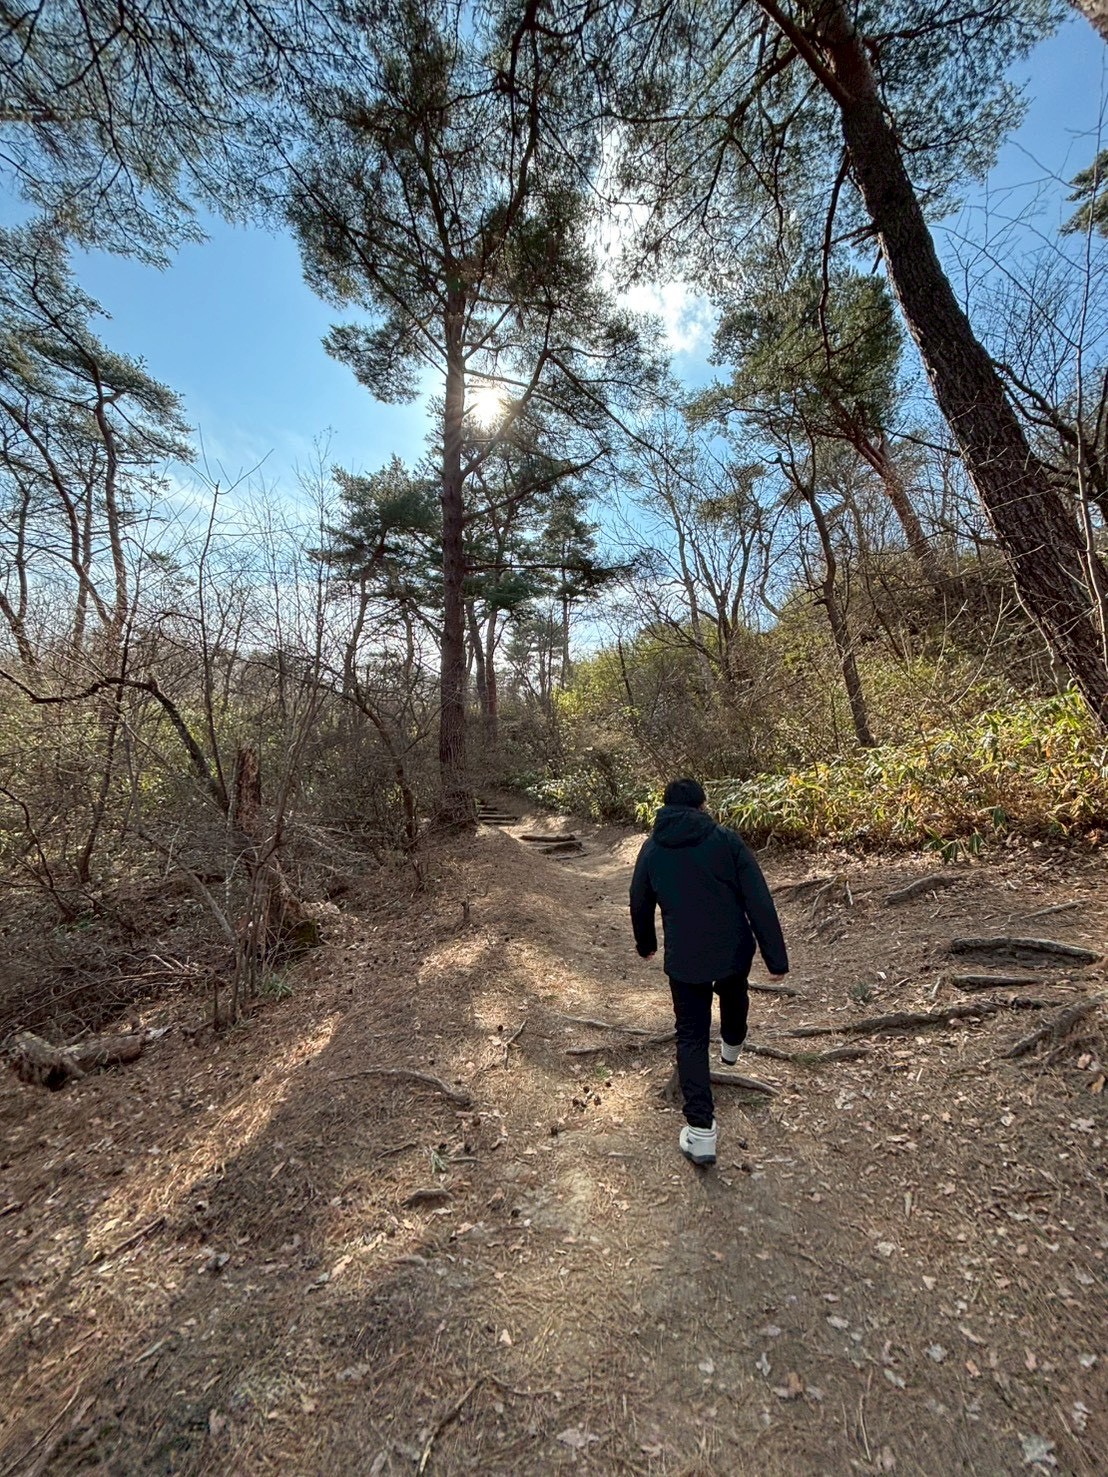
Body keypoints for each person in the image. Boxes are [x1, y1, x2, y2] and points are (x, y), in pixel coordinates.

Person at [630, 776, 789, 1166]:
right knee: (734, 993)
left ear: (665, 808)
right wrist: (776, 959)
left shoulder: (652, 848)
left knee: (691, 1036)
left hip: (685, 957)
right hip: (733, 947)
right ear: (702, 805)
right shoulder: (726, 840)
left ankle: (701, 1133)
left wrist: (646, 944)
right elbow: (758, 898)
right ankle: (733, 1043)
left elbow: (639, 899)